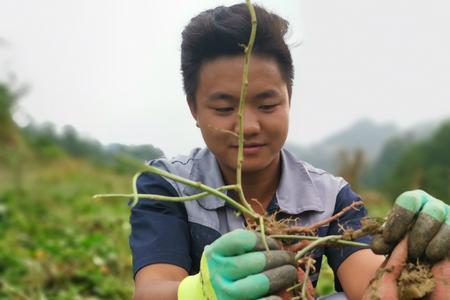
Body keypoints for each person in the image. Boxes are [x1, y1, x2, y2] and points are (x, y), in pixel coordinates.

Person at [129, 4, 450, 300]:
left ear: (289, 98)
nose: (249, 125)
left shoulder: (332, 198)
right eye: (225, 107)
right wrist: (200, 291)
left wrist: (420, 261)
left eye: (268, 105)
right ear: (194, 109)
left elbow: (373, 285)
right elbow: (152, 289)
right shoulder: (168, 185)